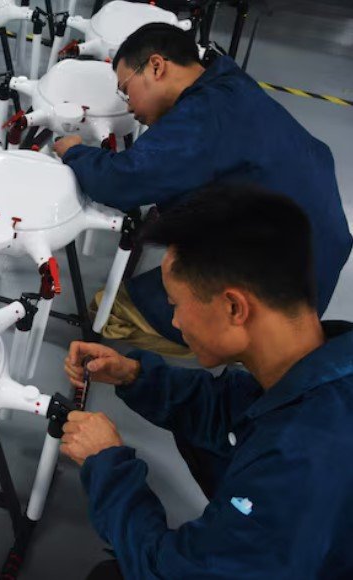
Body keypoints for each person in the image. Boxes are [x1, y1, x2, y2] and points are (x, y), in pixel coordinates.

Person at [60, 185, 353, 579]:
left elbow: (174, 573)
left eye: (176, 304)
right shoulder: (318, 365)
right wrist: (135, 376)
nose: (175, 321)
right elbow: (238, 409)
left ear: (234, 307)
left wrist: (106, 463)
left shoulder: (297, 466)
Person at [53, 23, 351, 357]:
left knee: (108, 310)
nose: (129, 105)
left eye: (126, 89)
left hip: (275, 288)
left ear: (156, 66)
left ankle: (241, 346)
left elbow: (120, 181)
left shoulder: (203, 115)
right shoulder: (229, 82)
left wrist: (74, 151)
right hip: (313, 261)